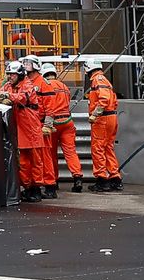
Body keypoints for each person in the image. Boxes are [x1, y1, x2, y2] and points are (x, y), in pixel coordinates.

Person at [0, 61, 44, 202]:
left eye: (12, 74)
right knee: (23, 162)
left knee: (35, 160)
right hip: (18, 127)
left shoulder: (28, 84)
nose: (9, 77)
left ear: (19, 74)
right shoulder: (8, 86)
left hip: (30, 127)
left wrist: (6, 96)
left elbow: (22, 98)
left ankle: (36, 188)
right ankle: (28, 187)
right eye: (8, 74)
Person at [40, 63, 83, 194]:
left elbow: (44, 105)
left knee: (51, 154)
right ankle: (77, 177)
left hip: (52, 123)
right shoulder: (64, 86)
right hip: (67, 121)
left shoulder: (46, 85)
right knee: (70, 151)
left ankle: (53, 181)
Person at [84, 58, 122, 192]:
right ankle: (115, 178)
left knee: (98, 148)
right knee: (108, 148)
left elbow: (104, 99)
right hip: (110, 117)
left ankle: (102, 179)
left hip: (103, 119)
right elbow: (113, 100)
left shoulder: (97, 79)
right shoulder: (104, 79)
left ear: (88, 68)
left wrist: (95, 114)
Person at [20, 55, 55, 194]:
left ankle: (50, 185)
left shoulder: (43, 83)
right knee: (33, 159)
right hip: (30, 125)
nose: (25, 65)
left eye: (28, 63)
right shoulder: (26, 82)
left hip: (41, 124)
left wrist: (48, 124)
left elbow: (50, 105)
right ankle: (38, 184)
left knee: (45, 156)